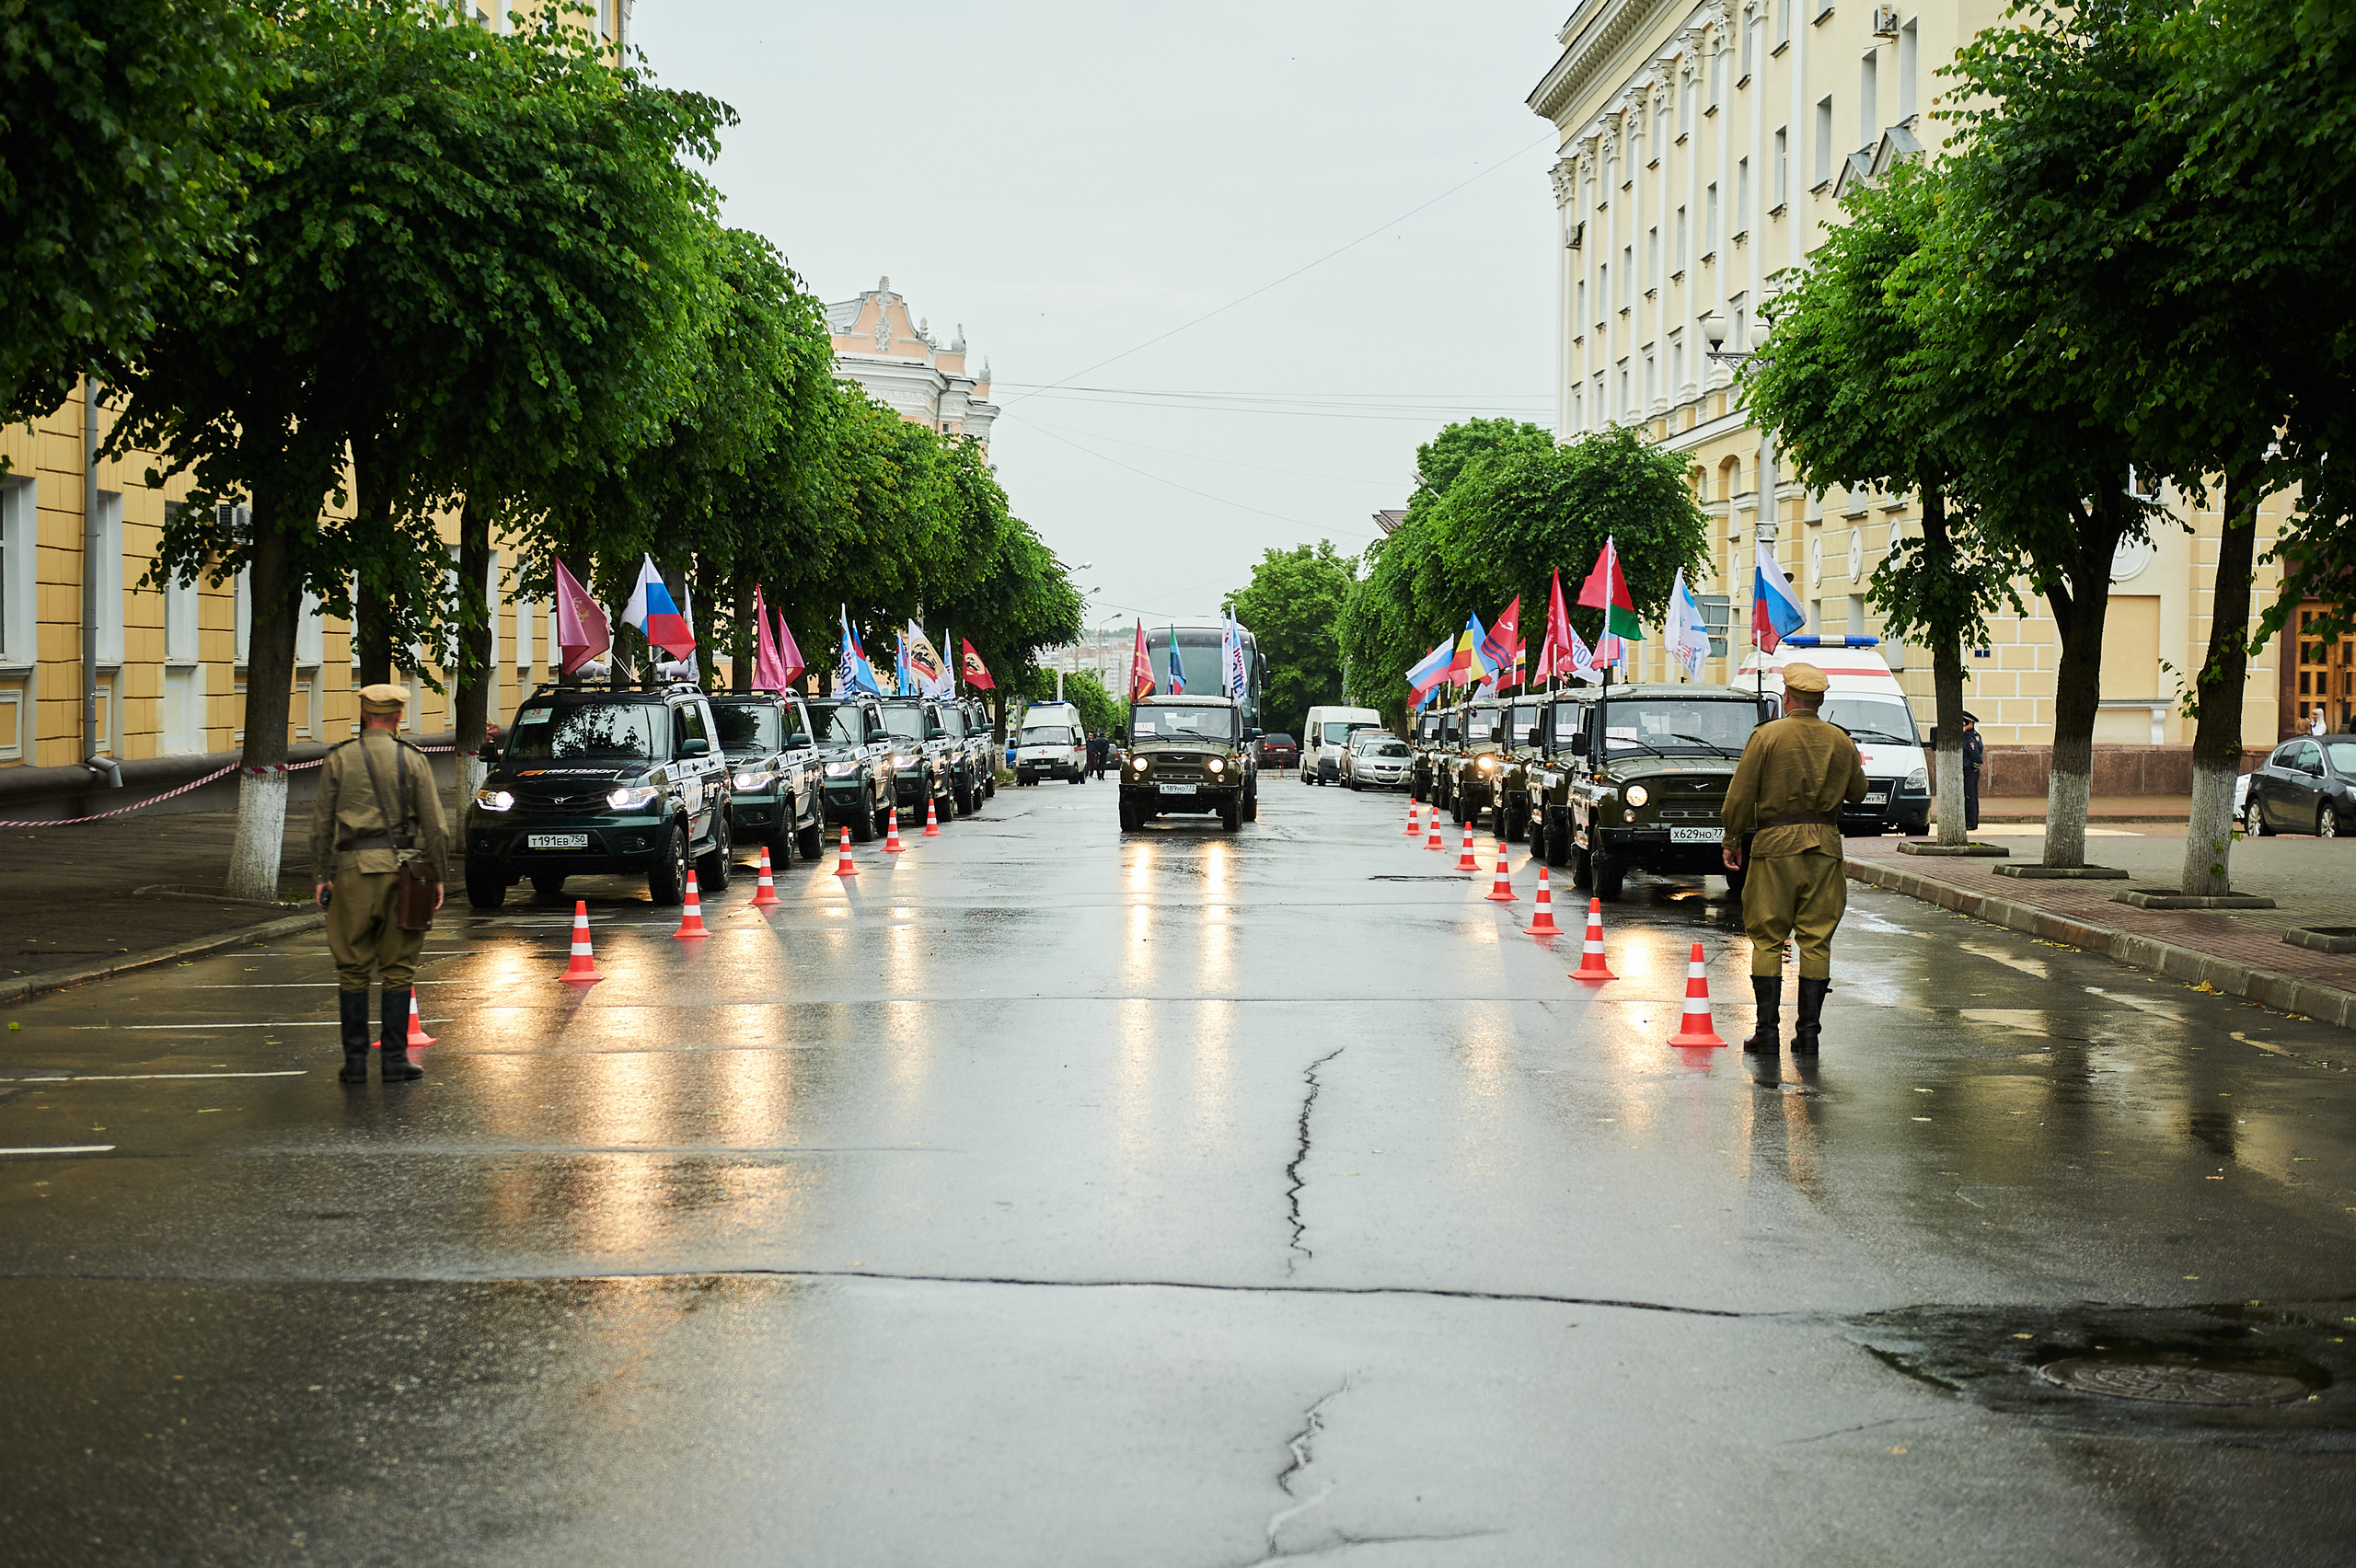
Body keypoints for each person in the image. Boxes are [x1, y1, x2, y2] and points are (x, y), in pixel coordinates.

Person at [1720, 662, 1869, 1055]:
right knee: (1817, 941)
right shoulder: (1840, 740)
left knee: (1768, 938)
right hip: (1824, 847)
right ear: (1820, 700)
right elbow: (1857, 792)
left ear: (1787, 697)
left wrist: (1732, 837)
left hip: (1775, 845)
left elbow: (1740, 793)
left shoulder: (1766, 736)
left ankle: (1766, 1032)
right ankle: (1808, 1036)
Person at [311, 684, 449, 1084]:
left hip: (352, 872)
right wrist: (437, 874)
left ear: (364, 713)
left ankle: (354, 1064)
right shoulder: (412, 760)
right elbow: (436, 827)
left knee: (352, 968)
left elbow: (321, 825)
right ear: (398, 716)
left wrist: (323, 874)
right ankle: (393, 1061)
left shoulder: (339, 759)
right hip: (403, 873)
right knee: (399, 967)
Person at [1960, 711, 1986, 833]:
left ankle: (1971, 822)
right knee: (1969, 795)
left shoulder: (1969, 737)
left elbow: (1975, 755)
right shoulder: (1972, 735)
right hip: (1969, 769)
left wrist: (1975, 765)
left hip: (1970, 769)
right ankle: (1970, 820)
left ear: (1970, 724)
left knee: (1970, 796)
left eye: (1964, 723)